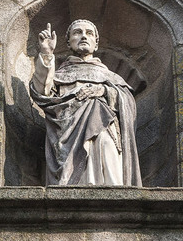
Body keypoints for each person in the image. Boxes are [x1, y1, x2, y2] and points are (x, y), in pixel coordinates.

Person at [31, 19, 143, 186]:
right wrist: (46, 54)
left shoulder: (111, 77)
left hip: (105, 130)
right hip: (68, 135)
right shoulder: (59, 75)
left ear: (96, 44)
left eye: (89, 33)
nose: (83, 36)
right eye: (77, 33)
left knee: (106, 146)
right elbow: (41, 92)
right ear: (68, 42)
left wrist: (104, 91)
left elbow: (129, 105)